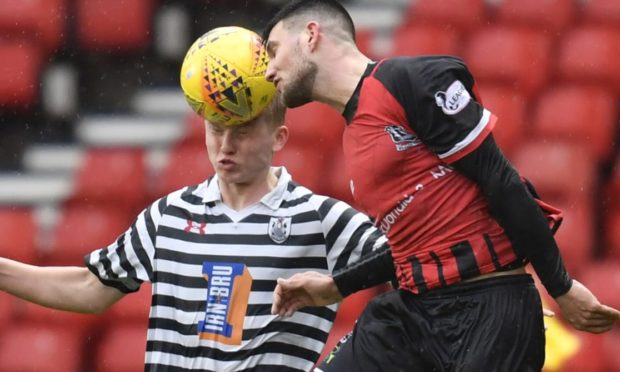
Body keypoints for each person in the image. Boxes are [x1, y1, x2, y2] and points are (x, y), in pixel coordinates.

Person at [261, 0, 620, 371]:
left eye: (273, 50)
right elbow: (411, 248)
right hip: (410, 314)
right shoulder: (352, 138)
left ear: (310, 34)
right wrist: (337, 286)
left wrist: (561, 287)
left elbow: (500, 179)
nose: (269, 70)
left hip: (489, 308)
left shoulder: (409, 81)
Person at [0, 93, 392, 371]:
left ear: (279, 137)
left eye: (241, 131)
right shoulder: (169, 214)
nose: (225, 146)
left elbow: (416, 262)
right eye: (215, 129)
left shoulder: (319, 217)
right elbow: (90, 288)